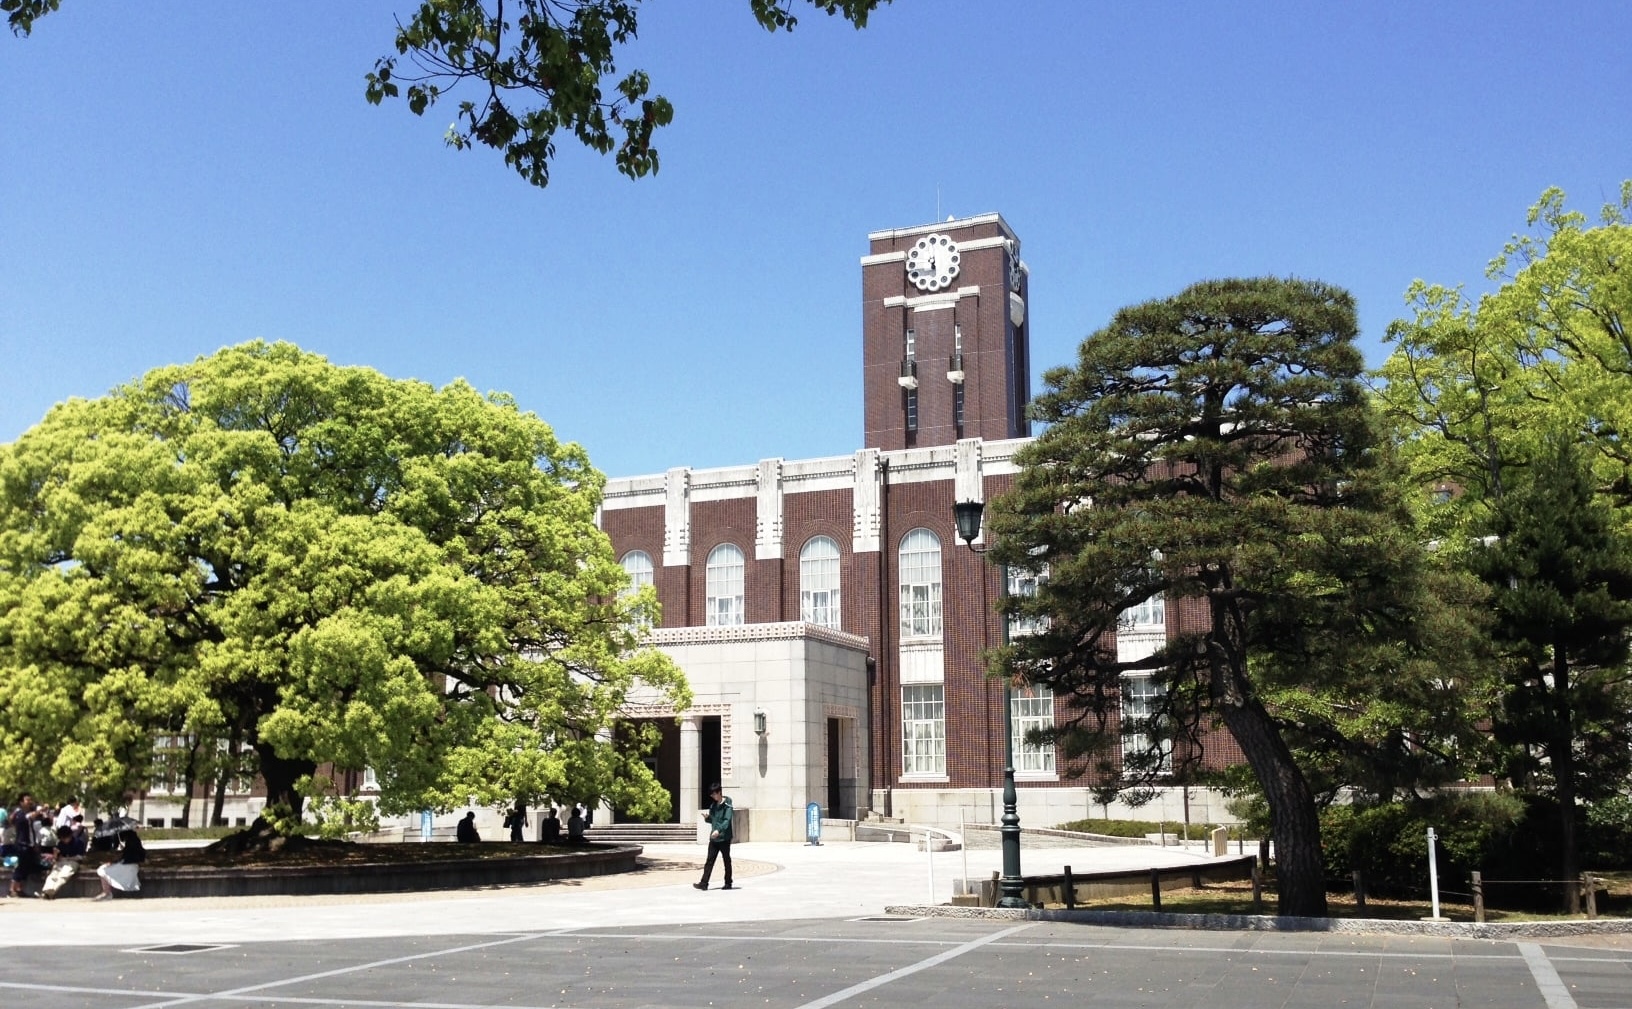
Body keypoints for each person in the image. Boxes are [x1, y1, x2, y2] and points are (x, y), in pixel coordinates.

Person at [693, 783, 734, 891]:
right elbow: (713, 820)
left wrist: (718, 830)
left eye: (714, 794)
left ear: (719, 792)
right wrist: (707, 818)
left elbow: (727, 820)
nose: (713, 796)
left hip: (724, 837)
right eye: (711, 795)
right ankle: (704, 883)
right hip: (714, 838)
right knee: (709, 861)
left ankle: (728, 883)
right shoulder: (713, 806)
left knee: (726, 860)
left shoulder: (727, 805)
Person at [7, 793, 43, 898]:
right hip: (22, 844)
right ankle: (12, 889)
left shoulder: (25, 813)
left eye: (30, 800)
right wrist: (41, 809)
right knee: (20, 867)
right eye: (27, 800)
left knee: (26, 867)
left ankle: (19, 889)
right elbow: (28, 817)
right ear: (21, 802)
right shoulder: (19, 813)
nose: (29, 802)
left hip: (29, 844)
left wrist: (34, 844)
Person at [94, 828, 145, 900]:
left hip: (128, 866)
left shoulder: (131, 842)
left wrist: (115, 861)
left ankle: (106, 892)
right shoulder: (133, 840)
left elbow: (128, 857)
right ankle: (106, 892)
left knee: (102, 870)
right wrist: (124, 849)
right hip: (131, 865)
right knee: (104, 869)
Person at [41, 825, 86, 899]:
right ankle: (46, 890)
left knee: (64, 874)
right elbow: (57, 857)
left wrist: (68, 858)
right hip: (61, 862)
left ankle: (51, 891)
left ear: (69, 836)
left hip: (73, 862)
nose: (63, 840)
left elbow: (81, 857)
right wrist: (55, 854)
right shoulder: (60, 843)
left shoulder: (78, 842)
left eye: (64, 838)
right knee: (53, 874)